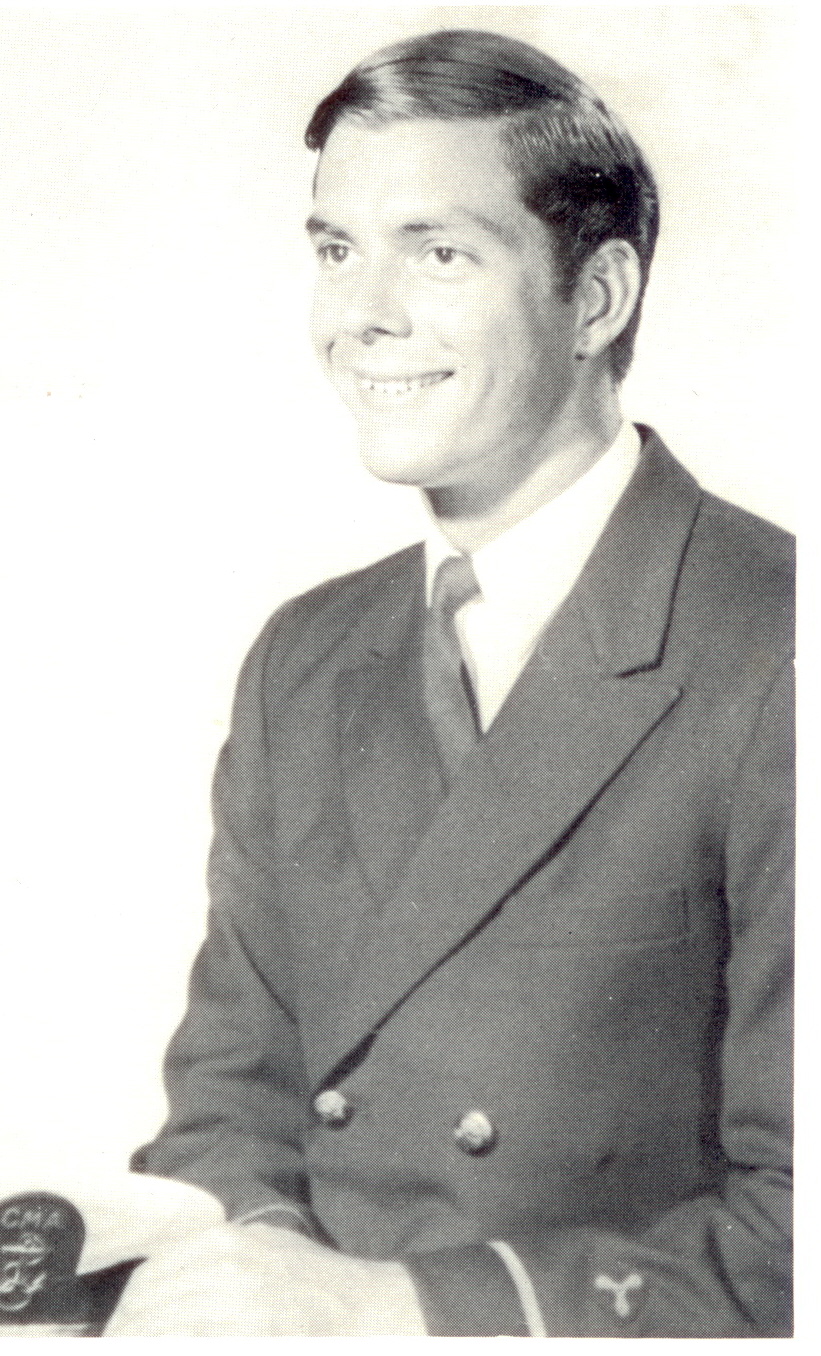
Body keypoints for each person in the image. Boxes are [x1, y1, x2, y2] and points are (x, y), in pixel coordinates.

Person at [112, 30, 793, 1337]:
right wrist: (252, 1284)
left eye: (437, 253)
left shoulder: (777, 650)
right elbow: (230, 1104)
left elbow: (797, 1236)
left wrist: (388, 1309)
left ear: (596, 299)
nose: (359, 316)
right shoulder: (305, 659)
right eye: (335, 249)